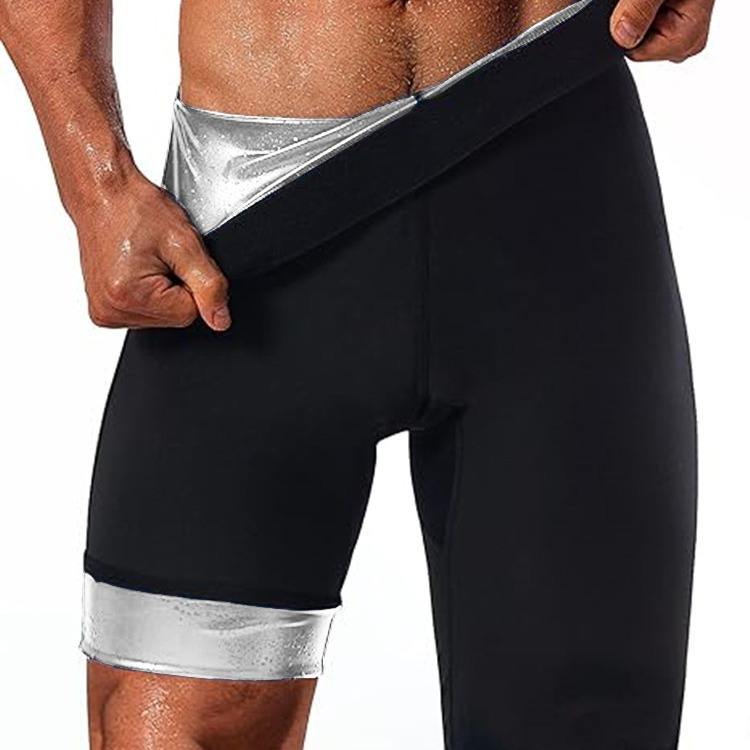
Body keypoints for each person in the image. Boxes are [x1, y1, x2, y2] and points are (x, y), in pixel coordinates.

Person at [0, 0, 715, 747]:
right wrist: (97, 185)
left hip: (553, 139)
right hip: (250, 220)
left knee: (586, 729)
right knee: (177, 726)